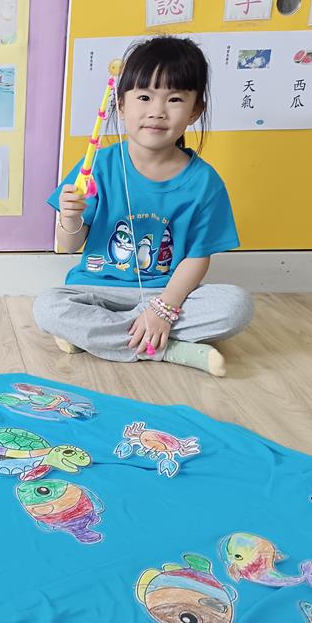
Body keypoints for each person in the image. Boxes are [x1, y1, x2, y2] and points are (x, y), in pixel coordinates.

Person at [33, 36, 252, 377]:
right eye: (145, 97)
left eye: (175, 99)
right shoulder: (98, 166)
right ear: (121, 105)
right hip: (97, 289)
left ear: (196, 110)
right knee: (48, 306)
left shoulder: (205, 182)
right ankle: (169, 348)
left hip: (167, 293)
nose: (157, 111)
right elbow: (68, 246)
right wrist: (70, 218)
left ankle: (106, 337)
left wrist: (163, 309)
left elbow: (197, 258)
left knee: (236, 306)